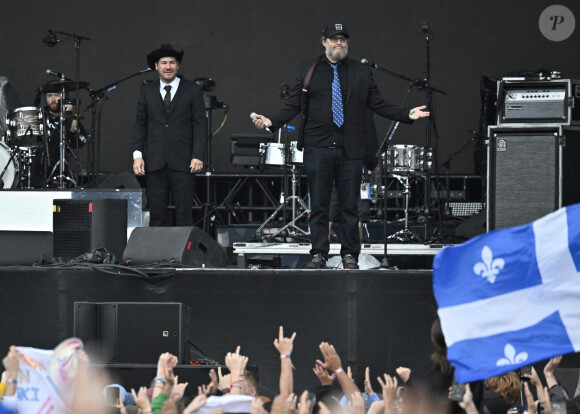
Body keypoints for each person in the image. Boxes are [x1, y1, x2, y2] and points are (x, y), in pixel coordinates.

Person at [252, 23, 429, 269]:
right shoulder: (309, 68)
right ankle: (318, 255)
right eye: (334, 39)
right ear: (324, 41)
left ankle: (349, 255)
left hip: (351, 149)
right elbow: (294, 103)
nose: (339, 43)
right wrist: (272, 121)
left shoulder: (360, 71)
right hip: (318, 147)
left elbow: (377, 102)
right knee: (320, 205)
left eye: (343, 39)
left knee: (349, 205)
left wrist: (406, 114)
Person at [132, 43, 207, 226]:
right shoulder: (147, 90)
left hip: (183, 160)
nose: (168, 66)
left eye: (172, 62)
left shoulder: (192, 90)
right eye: (164, 62)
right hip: (155, 159)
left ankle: (185, 254)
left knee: (184, 212)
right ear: (156, 66)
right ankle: (157, 254)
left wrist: (197, 155)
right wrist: (137, 155)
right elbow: (140, 123)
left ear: (178, 65)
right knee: (156, 213)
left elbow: (200, 125)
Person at [42, 85, 88, 187]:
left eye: (57, 95)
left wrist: (68, 116)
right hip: (39, 171)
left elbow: (79, 142)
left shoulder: (72, 119)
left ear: (64, 97)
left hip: (62, 173)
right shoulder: (39, 116)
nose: (53, 99)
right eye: (49, 96)